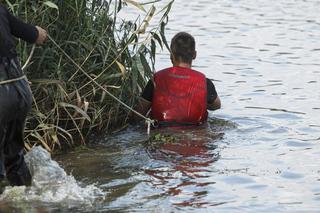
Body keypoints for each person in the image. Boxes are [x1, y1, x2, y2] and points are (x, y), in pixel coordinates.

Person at [0, 3, 47, 186]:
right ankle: (29, 200)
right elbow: (37, 36)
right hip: (20, 90)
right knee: (15, 161)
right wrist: (38, 32)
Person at [135, 32, 221, 127]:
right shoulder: (204, 82)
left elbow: (137, 115)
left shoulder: (156, 79)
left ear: (171, 55)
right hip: (196, 134)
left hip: (161, 132)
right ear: (195, 55)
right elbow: (217, 106)